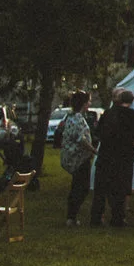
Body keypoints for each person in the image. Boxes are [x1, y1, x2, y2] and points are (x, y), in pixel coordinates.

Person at [92, 89, 134, 228]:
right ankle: (117, 218)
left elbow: (97, 134)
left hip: (106, 154)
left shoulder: (107, 113)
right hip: (124, 156)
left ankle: (96, 217)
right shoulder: (133, 115)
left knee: (101, 188)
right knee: (120, 189)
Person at [55, 91, 96, 225]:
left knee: (77, 186)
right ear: (84, 104)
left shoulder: (71, 117)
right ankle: (71, 216)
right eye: (88, 101)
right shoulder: (77, 118)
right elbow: (81, 139)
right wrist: (93, 150)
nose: (90, 104)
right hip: (78, 158)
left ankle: (71, 215)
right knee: (81, 188)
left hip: (76, 157)